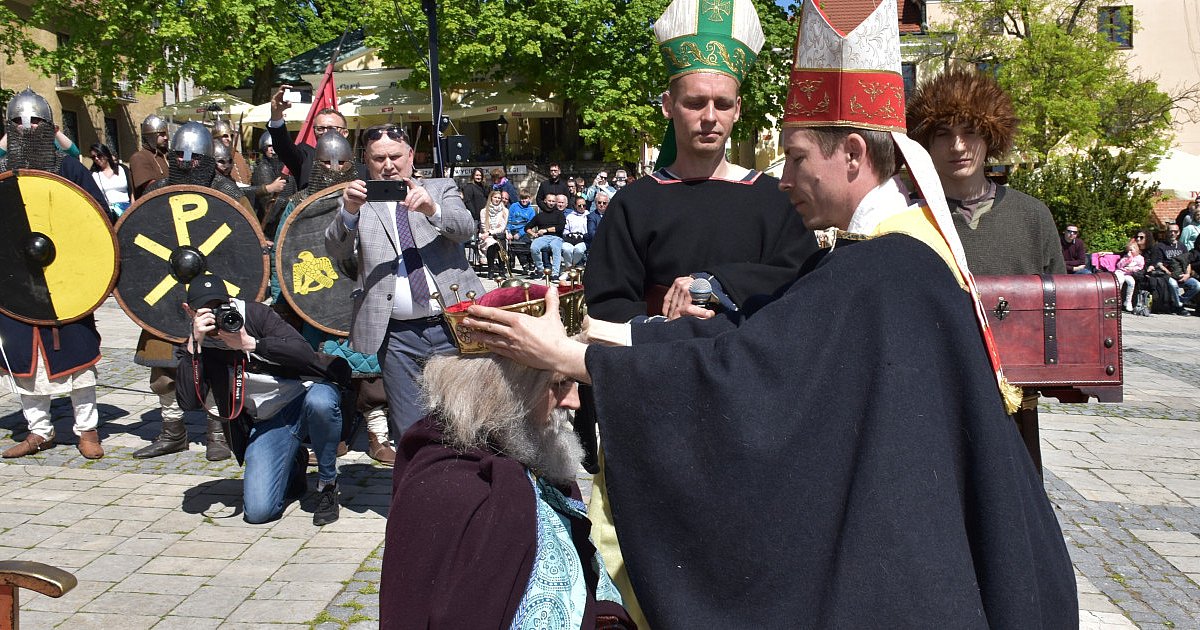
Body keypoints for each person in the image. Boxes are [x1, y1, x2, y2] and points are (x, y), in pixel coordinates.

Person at [462, 0, 1078, 626]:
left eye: (798, 157)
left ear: (855, 155)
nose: (785, 178)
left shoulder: (884, 270)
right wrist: (591, 329)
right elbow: (759, 334)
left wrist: (565, 356)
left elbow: (749, 373)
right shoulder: (895, 252)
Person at [381, 289, 634, 628]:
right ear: (504, 389)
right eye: (558, 384)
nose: (575, 402)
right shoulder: (450, 488)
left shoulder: (537, 452)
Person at [324, 125, 483, 439]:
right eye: (378, 158)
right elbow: (335, 250)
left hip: (453, 322)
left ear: (410, 156)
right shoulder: (356, 199)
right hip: (397, 334)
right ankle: (417, 483)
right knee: (409, 427)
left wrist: (431, 209)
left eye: (395, 156)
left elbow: (466, 228)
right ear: (365, 161)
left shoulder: (439, 188)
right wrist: (349, 213)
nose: (388, 166)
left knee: (466, 418)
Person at [176, 274, 345, 525]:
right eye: (206, 311)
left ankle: (327, 484)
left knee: (321, 403)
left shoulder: (254, 315)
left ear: (231, 301)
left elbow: (303, 352)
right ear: (189, 312)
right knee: (258, 513)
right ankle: (294, 463)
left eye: (220, 306)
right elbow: (188, 402)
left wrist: (250, 343)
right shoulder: (196, 344)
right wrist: (195, 345)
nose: (216, 316)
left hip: (303, 396)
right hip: (269, 420)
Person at [0, 88, 108, 460]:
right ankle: (39, 432)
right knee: (25, 362)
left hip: (66, 278)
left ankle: (88, 430)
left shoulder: (69, 167)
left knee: (77, 358)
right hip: (17, 281)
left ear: (49, 126)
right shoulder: (2, 171)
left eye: (34, 121)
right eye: (16, 121)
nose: (26, 128)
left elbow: (100, 220)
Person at [907, 68, 1066, 275]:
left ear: (990, 138)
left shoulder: (1033, 216)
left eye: (970, 132)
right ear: (926, 143)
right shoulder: (906, 217)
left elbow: (1063, 301)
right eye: (943, 134)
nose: (958, 146)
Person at [269, 85, 354, 190]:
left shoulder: (360, 168)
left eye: (332, 128)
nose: (325, 132)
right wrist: (276, 114)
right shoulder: (305, 158)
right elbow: (284, 148)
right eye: (320, 128)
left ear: (345, 133)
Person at [1150, 223, 1197, 314]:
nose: (1173, 233)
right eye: (1170, 231)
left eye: (1175, 231)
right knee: (1173, 284)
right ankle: (1179, 307)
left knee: (1196, 285)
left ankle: (1177, 302)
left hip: (1182, 273)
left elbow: (1187, 262)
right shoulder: (1160, 246)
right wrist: (1169, 273)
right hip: (1168, 275)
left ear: (1178, 233)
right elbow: (1159, 264)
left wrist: (1187, 274)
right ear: (1167, 232)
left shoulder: (1182, 246)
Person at [250, 133, 293, 224]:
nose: (272, 149)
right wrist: (290, 201)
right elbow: (268, 204)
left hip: (287, 218)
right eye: (269, 146)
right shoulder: (263, 169)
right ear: (263, 148)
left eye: (276, 145)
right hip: (271, 224)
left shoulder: (287, 167)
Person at [88, 143, 133, 218]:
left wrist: (133, 208)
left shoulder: (123, 169)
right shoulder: (93, 174)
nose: (96, 159)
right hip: (106, 213)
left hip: (126, 210)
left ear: (106, 155)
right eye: (93, 157)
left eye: (99, 155)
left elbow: (132, 191)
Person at [129, 114, 170, 198]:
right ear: (151, 136)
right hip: (151, 207)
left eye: (165, 134)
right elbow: (151, 188)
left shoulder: (167, 156)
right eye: (161, 134)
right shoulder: (139, 157)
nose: (166, 137)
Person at [527, 192, 566, 279]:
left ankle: (555, 274)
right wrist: (533, 234)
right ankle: (541, 271)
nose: (551, 203)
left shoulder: (559, 214)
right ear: (545, 201)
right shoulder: (540, 216)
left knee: (555, 247)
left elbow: (560, 228)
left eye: (553, 201)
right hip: (543, 238)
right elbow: (527, 227)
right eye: (549, 201)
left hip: (556, 237)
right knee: (534, 248)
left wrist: (546, 230)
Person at [478, 189, 510, 279]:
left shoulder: (505, 211)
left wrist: (490, 232)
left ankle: (501, 269)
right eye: (495, 197)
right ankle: (491, 269)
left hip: (498, 235)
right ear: (491, 198)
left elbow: (502, 227)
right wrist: (488, 233)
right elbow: (484, 227)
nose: (497, 199)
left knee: (501, 244)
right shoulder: (484, 211)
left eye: (499, 198)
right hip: (487, 236)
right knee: (491, 244)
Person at [506, 190, 538, 273]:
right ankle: (524, 263)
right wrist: (508, 231)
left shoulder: (531, 210)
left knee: (526, 243)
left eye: (526, 198)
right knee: (516, 245)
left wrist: (520, 233)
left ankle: (530, 261)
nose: (524, 201)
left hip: (524, 230)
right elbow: (509, 219)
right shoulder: (514, 206)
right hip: (513, 229)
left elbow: (529, 225)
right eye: (522, 199)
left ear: (529, 199)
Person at [211, 119, 252, 185]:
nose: (229, 139)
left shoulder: (238, 155)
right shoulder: (210, 156)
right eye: (225, 136)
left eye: (231, 136)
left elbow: (249, 176)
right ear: (215, 137)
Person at [1115, 237, 1145, 312]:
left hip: (1129, 274)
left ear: (1137, 250)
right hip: (1120, 272)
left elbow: (1140, 267)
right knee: (1120, 281)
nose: (1130, 252)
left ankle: (1128, 301)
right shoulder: (1126, 257)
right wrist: (1127, 259)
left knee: (1131, 282)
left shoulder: (1140, 258)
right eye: (1128, 250)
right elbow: (1119, 265)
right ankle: (1117, 299)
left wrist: (1132, 269)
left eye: (1131, 250)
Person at [562, 192, 589, 267]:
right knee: (566, 249)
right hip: (570, 239)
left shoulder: (588, 216)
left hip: (583, 240)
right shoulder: (570, 216)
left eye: (584, 205)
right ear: (575, 206)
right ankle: (569, 268)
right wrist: (569, 235)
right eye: (579, 205)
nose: (582, 207)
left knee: (578, 250)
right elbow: (565, 230)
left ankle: (571, 267)